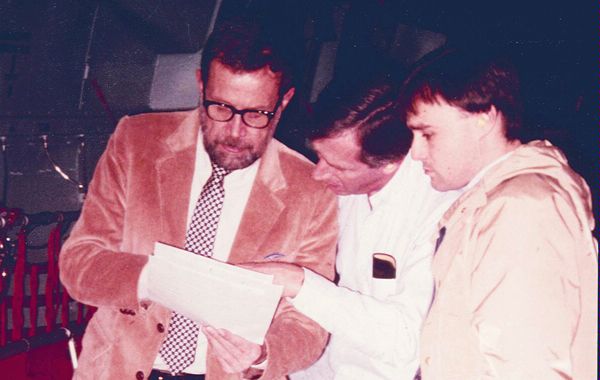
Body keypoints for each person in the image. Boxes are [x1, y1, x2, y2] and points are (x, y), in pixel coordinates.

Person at [59, 17, 338, 380]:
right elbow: (79, 264)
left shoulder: (311, 190)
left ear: (284, 102)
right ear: (200, 85)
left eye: (256, 114)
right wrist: (154, 279)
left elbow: (311, 323)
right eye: (220, 108)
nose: (235, 133)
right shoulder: (136, 142)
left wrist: (263, 355)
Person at [244, 79, 459, 379]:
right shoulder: (344, 192)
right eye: (319, 157)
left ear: (388, 164)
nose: (319, 174)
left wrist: (299, 283)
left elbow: (407, 341)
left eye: (338, 166)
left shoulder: (439, 213)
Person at [401, 49, 597, 379]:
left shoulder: (521, 208)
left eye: (428, 134)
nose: (415, 152)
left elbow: (529, 369)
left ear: (484, 120)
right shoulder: (493, 202)